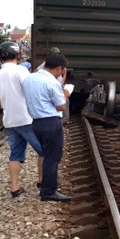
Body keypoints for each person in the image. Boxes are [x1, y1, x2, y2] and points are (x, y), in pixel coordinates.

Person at [0, 41, 44, 198]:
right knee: (44, 150)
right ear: (17, 54)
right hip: (26, 119)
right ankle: (42, 181)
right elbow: (32, 89)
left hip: (9, 121)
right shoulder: (21, 71)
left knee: (15, 154)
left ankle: (15, 188)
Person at [23, 53, 72, 202]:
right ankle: (48, 191)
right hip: (50, 123)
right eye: (62, 70)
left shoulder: (29, 79)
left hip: (36, 123)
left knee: (46, 154)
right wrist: (66, 93)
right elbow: (61, 106)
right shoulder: (52, 82)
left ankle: (47, 186)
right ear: (59, 68)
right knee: (52, 158)